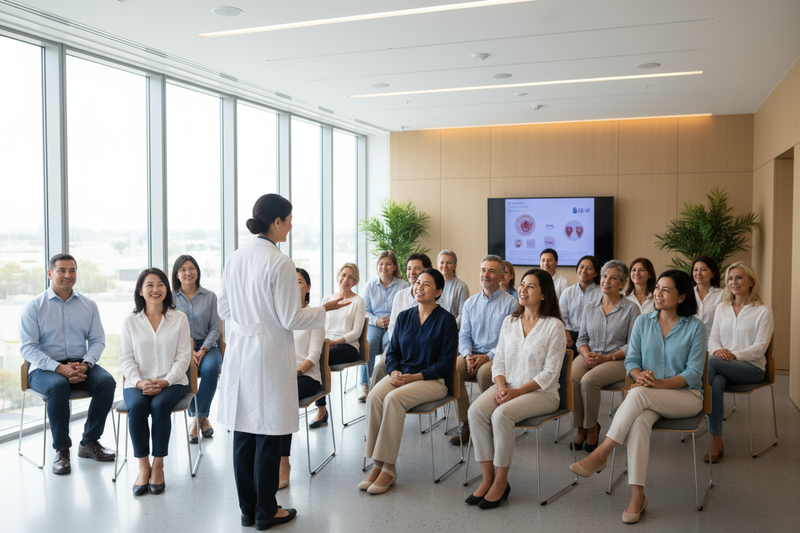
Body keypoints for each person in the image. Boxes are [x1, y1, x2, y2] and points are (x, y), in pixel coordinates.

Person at [217, 193, 348, 530]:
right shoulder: (280, 262)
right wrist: (324, 311)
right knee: (269, 433)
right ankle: (267, 510)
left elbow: (224, 310)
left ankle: (248, 510)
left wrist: (250, 323)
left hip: (241, 352)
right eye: (289, 219)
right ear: (276, 221)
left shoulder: (235, 257)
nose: (291, 225)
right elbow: (291, 318)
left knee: (244, 433)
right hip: (270, 355)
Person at [569, 270, 706, 524]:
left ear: (682, 296)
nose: (659, 293)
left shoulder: (695, 328)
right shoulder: (644, 322)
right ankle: (637, 496)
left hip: (685, 396)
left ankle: (603, 452)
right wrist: (638, 374)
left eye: (666, 290)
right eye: (658, 289)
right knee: (640, 421)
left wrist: (655, 383)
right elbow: (632, 360)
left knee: (639, 394)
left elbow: (694, 373)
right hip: (648, 395)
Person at [466, 269, 566, 509]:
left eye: (530, 286)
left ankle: (501, 481)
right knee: (476, 412)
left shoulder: (554, 326)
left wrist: (517, 393)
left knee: (501, 415)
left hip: (542, 393)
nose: (522, 289)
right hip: (507, 386)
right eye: (521, 285)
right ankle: (487, 476)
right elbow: (498, 360)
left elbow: (551, 373)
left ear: (544, 294)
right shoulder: (510, 321)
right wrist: (501, 386)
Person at [360, 268, 457, 494]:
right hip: (402, 376)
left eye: (426, 284)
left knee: (393, 399)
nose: (419, 287)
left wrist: (414, 377)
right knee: (374, 396)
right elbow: (392, 352)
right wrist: (393, 372)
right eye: (418, 283)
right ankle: (377, 464)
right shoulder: (404, 316)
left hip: (432, 380)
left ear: (438, 291)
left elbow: (445, 363)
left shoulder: (446, 321)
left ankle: (389, 469)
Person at [19, 253, 116, 475]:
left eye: (72, 270)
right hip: (44, 369)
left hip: (81, 365)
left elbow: (98, 340)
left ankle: (89, 442)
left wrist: (87, 364)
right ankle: (62, 450)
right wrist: (58, 368)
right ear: (50, 273)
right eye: (62, 270)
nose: (67, 275)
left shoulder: (88, 304)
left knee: (107, 383)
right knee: (58, 386)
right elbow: (28, 348)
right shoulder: (34, 306)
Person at [119, 268, 191, 496]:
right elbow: (126, 358)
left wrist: (165, 382)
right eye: (149, 285)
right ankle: (143, 467)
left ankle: (158, 465)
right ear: (140, 291)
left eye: (160, 284)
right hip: (138, 383)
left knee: (160, 406)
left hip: (173, 382)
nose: (155, 289)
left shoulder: (179, 318)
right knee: (138, 406)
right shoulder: (131, 321)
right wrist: (140, 383)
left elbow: (183, 357)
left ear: (167, 289)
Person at [706, 262, 774, 463]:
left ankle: (692, 398)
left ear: (751, 281)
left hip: (751, 368)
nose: (733, 282)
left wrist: (733, 355)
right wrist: (718, 351)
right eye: (730, 278)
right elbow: (713, 338)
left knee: (711, 363)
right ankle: (716, 441)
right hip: (722, 365)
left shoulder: (763, 311)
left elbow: (760, 347)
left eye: (739, 277)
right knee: (716, 382)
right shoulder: (722, 308)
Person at [570, 260, 639, 452]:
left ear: (623, 284)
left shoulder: (632, 309)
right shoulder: (590, 307)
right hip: (590, 355)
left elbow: (632, 346)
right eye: (604, 276)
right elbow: (582, 339)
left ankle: (591, 427)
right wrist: (586, 354)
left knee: (588, 381)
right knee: (573, 378)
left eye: (613, 277)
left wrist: (605, 358)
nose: (606, 281)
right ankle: (581, 426)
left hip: (617, 360)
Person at [451, 255, 518, 446]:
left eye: (491, 271)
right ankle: (467, 424)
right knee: (454, 369)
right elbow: (464, 336)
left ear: (502, 276)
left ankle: (489, 421)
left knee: (484, 373)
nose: (485, 275)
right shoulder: (470, 303)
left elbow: (510, 341)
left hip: (499, 356)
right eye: (483, 270)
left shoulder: (512, 303)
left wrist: (487, 356)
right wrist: (468, 355)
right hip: (472, 353)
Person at [279, 268, 326, 489]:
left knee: (283, 398)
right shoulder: (278, 315)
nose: (293, 285)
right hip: (281, 374)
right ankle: (267, 457)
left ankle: (283, 461)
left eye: (298, 282)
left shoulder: (314, 315)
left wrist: (295, 372)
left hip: (307, 375)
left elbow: (314, 354)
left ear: (307, 287)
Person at [171, 255, 222, 443]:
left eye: (191, 268)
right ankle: (202, 419)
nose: (187, 273)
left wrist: (203, 349)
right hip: (181, 348)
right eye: (183, 269)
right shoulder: (170, 298)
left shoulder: (210, 296)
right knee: (184, 370)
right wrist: (188, 350)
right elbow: (170, 328)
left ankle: (195, 421)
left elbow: (216, 327)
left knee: (211, 368)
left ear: (197, 271)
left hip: (208, 347)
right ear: (177, 274)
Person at [309, 263, 367, 427]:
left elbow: (356, 332)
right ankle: (320, 407)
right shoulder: (327, 299)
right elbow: (320, 326)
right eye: (343, 275)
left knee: (319, 358)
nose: (346, 279)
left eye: (350, 277)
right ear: (338, 276)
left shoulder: (358, 302)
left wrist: (335, 341)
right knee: (314, 355)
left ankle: (321, 409)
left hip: (348, 346)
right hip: (326, 344)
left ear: (355, 281)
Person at [369, 253, 433, 388]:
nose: (412, 272)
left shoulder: (434, 295)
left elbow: (433, 328)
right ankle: (374, 401)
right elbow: (393, 326)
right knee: (380, 368)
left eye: (417, 268)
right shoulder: (400, 295)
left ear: (426, 271)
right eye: (409, 268)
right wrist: (397, 346)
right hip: (399, 346)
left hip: (422, 349)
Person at [359, 252, 408, 401]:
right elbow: (364, 310)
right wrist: (377, 320)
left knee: (390, 345)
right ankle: (364, 384)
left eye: (387, 264)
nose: (384, 267)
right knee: (369, 344)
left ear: (394, 267)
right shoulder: (369, 286)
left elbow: (405, 308)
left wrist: (392, 319)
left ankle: (383, 384)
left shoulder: (403, 285)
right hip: (375, 323)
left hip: (394, 324)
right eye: (381, 264)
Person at [559, 255, 601, 349]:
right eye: (581, 267)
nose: (584, 271)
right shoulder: (567, 292)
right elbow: (562, 315)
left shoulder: (601, 293)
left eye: (589, 268)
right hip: (571, 335)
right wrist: (566, 332)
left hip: (593, 337)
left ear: (596, 273)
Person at [692, 255, 724, 338]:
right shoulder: (687, 293)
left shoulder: (722, 294)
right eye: (695, 270)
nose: (698, 273)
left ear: (712, 273)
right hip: (690, 341)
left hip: (713, 342)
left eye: (703, 270)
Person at [438, 249, 469, 328]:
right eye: (442, 262)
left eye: (449, 263)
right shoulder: (432, 284)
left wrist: (447, 328)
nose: (444, 266)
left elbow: (462, 314)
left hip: (452, 330)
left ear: (455, 266)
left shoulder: (462, 286)